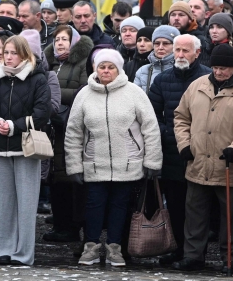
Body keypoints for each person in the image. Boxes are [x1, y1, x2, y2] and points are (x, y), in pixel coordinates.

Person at [67, 47, 162, 266]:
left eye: (111, 67)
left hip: (127, 163)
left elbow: (150, 127)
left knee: (120, 206)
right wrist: (74, 165)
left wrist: (152, 161)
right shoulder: (84, 94)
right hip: (94, 162)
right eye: (102, 67)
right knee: (93, 205)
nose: (106, 71)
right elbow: (73, 132)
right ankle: (90, 247)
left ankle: (115, 248)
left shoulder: (134, 92)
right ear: (95, 68)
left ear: (118, 69)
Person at [172, 40, 233, 273]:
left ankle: (231, 258)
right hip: (198, 160)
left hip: (228, 163)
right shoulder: (197, 85)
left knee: (231, 216)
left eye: (223, 68)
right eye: (215, 68)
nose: (219, 72)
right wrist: (184, 144)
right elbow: (181, 117)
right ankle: (193, 256)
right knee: (194, 214)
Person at [0, 35, 52, 266]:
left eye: (13, 52)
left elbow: (42, 113)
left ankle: (23, 254)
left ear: (24, 54)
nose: (8, 56)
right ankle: (1, 249)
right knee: (1, 203)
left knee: (25, 203)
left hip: (26, 148)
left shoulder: (38, 79)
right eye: (5, 52)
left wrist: (14, 126)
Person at [147, 34, 212, 264]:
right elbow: (151, 114)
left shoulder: (208, 77)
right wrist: (168, 133)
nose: (181, 55)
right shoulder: (162, 80)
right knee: (174, 204)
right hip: (172, 152)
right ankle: (178, 249)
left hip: (200, 153)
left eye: (185, 51)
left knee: (197, 207)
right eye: (178, 50)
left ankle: (196, 253)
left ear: (197, 52)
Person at [46, 25, 93, 243]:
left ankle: (73, 228)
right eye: (57, 40)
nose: (60, 43)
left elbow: (84, 91)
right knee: (55, 178)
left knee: (70, 179)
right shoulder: (51, 63)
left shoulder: (83, 62)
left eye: (65, 39)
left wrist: (52, 93)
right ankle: (59, 225)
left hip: (72, 126)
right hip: (52, 127)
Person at [134, 25, 178, 92]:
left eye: (165, 43)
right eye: (157, 43)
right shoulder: (142, 71)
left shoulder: (183, 69)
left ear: (175, 45)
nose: (160, 47)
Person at [116, 16, 148, 80]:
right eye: (124, 30)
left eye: (132, 30)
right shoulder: (114, 56)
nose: (127, 34)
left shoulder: (146, 57)